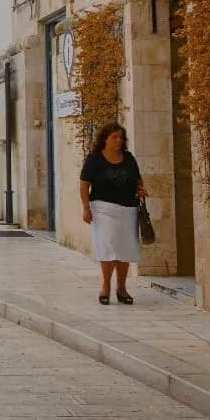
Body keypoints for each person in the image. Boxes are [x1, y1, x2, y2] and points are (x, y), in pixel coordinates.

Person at [80, 122, 147, 305]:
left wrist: (140, 189)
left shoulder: (129, 158)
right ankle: (106, 287)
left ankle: (122, 289)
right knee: (108, 248)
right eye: (114, 137)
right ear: (105, 139)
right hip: (103, 210)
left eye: (121, 138)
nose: (118, 141)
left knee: (124, 250)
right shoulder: (94, 159)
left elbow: (138, 180)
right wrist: (86, 208)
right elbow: (84, 185)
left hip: (128, 209)